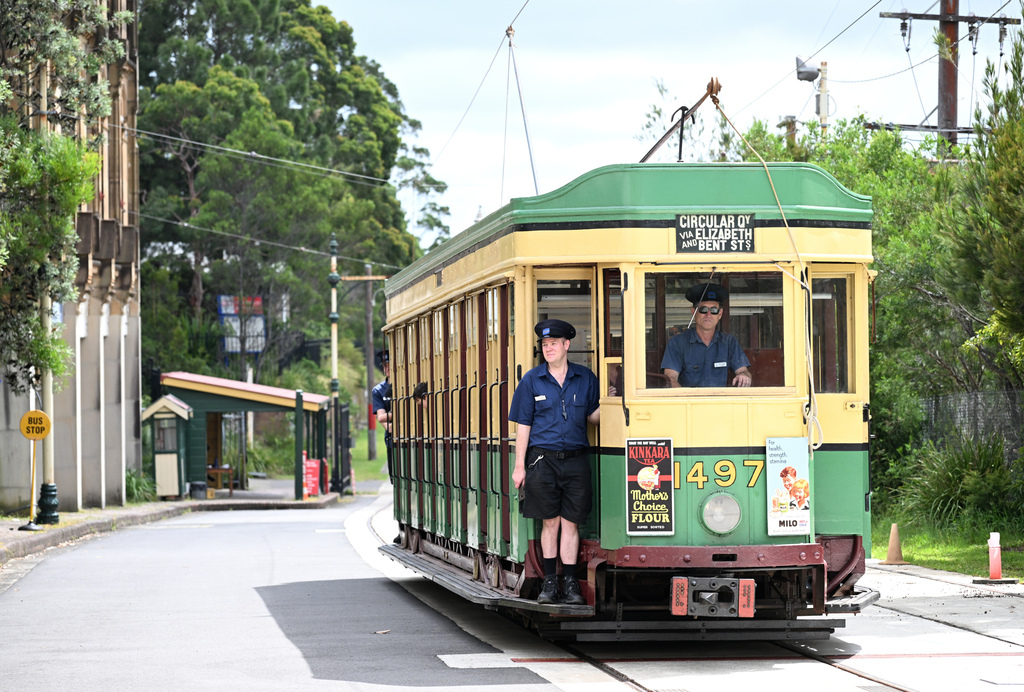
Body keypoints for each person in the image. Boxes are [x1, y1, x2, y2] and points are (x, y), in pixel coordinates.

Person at [509, 319, 600, 605]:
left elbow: (593, 417)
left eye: (553, 344)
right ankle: (550, 582)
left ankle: (570, 584)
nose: (548, 348)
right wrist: (519, 466)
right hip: (542, 461)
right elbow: (523, 425)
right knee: (550, 523)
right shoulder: (531, 380)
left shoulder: (585, 378)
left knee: (571, 524)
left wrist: (612, 403)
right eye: (545, 345)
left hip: (575, 460)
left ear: (566, 345)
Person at [661, 283, 752, 387]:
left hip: (720, 397)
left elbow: (744, 371)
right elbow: (670, 379)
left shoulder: (729, 342)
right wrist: (685, 396)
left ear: (720, 314)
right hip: (689, 397)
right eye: (703, 309)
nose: (708, 315)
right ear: (693, 312)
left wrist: (743, 375)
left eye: (714, 310)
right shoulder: (677, 343)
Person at [370, 349, 393, 476]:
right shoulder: (378, 390)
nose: (387, 369)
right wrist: (388, 427)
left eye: (390, 365)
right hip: (392, 435)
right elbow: (381, 416)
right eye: (385, 366)